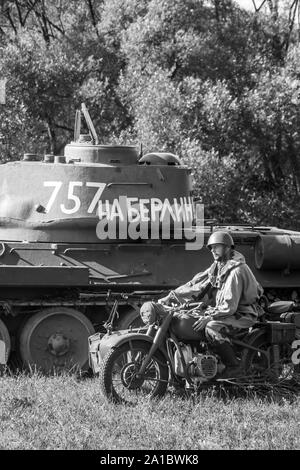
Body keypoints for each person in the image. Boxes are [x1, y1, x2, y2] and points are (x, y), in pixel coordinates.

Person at [140, 230, 264, 378]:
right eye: (211, 248)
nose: (213, 250)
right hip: (225, 311)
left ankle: (234, 367)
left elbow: (229, 306)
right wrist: (170, 297)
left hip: (242, 314)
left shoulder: (236, 270)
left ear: (228, 247)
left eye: (216, 246)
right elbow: (195, 285)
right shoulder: (218, 267)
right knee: (187, 318)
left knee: (212, 327)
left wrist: (209, 317)